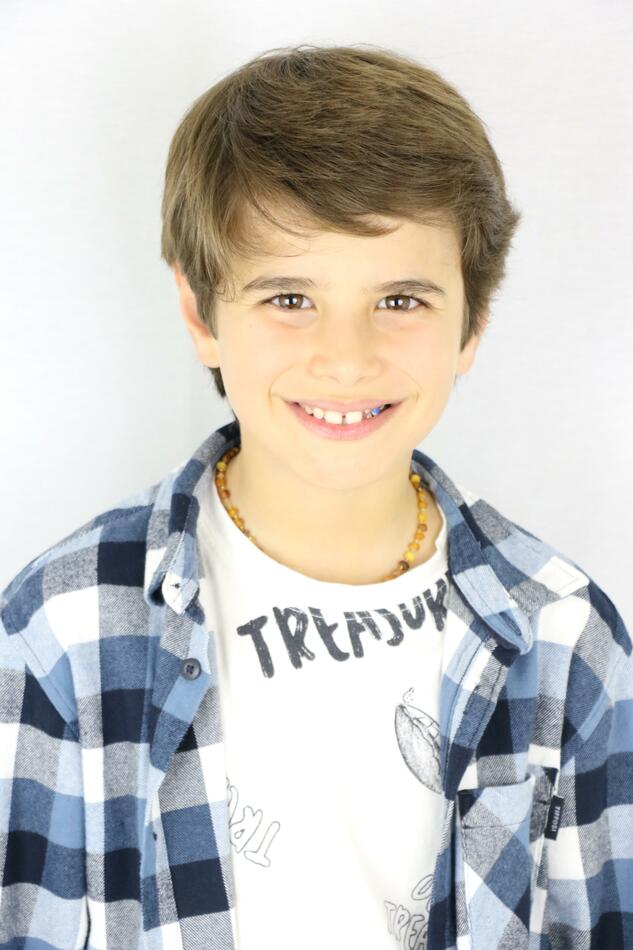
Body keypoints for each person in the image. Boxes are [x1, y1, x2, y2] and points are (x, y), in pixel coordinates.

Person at [0, 43, 630, 950]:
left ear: (471, 324)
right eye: (289, 297)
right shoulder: (65, 629)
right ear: (200, 314)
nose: (345, 358)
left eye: (400, 300)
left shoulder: (563, 635)